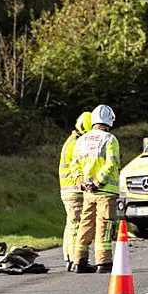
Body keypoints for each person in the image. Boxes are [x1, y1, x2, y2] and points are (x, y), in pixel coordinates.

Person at [71, 104, 121, 273]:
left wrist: (81, 182)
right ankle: (104, 263)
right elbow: (112, 163)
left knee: (85, 225)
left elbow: (74, 165)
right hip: (105, 192)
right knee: (104, 226)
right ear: (109, 120)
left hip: (87, 193)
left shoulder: (81, 140)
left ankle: (80, 261)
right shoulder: (110, 139)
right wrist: (98, 182)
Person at [58, 111, 92, 272]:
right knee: (77, 225)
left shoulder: (71, 141)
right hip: (74, 190)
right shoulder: (76, 144)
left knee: (71, 224)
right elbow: (80, 166)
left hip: (68, 190)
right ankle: (74, 259)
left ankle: (69, 257)